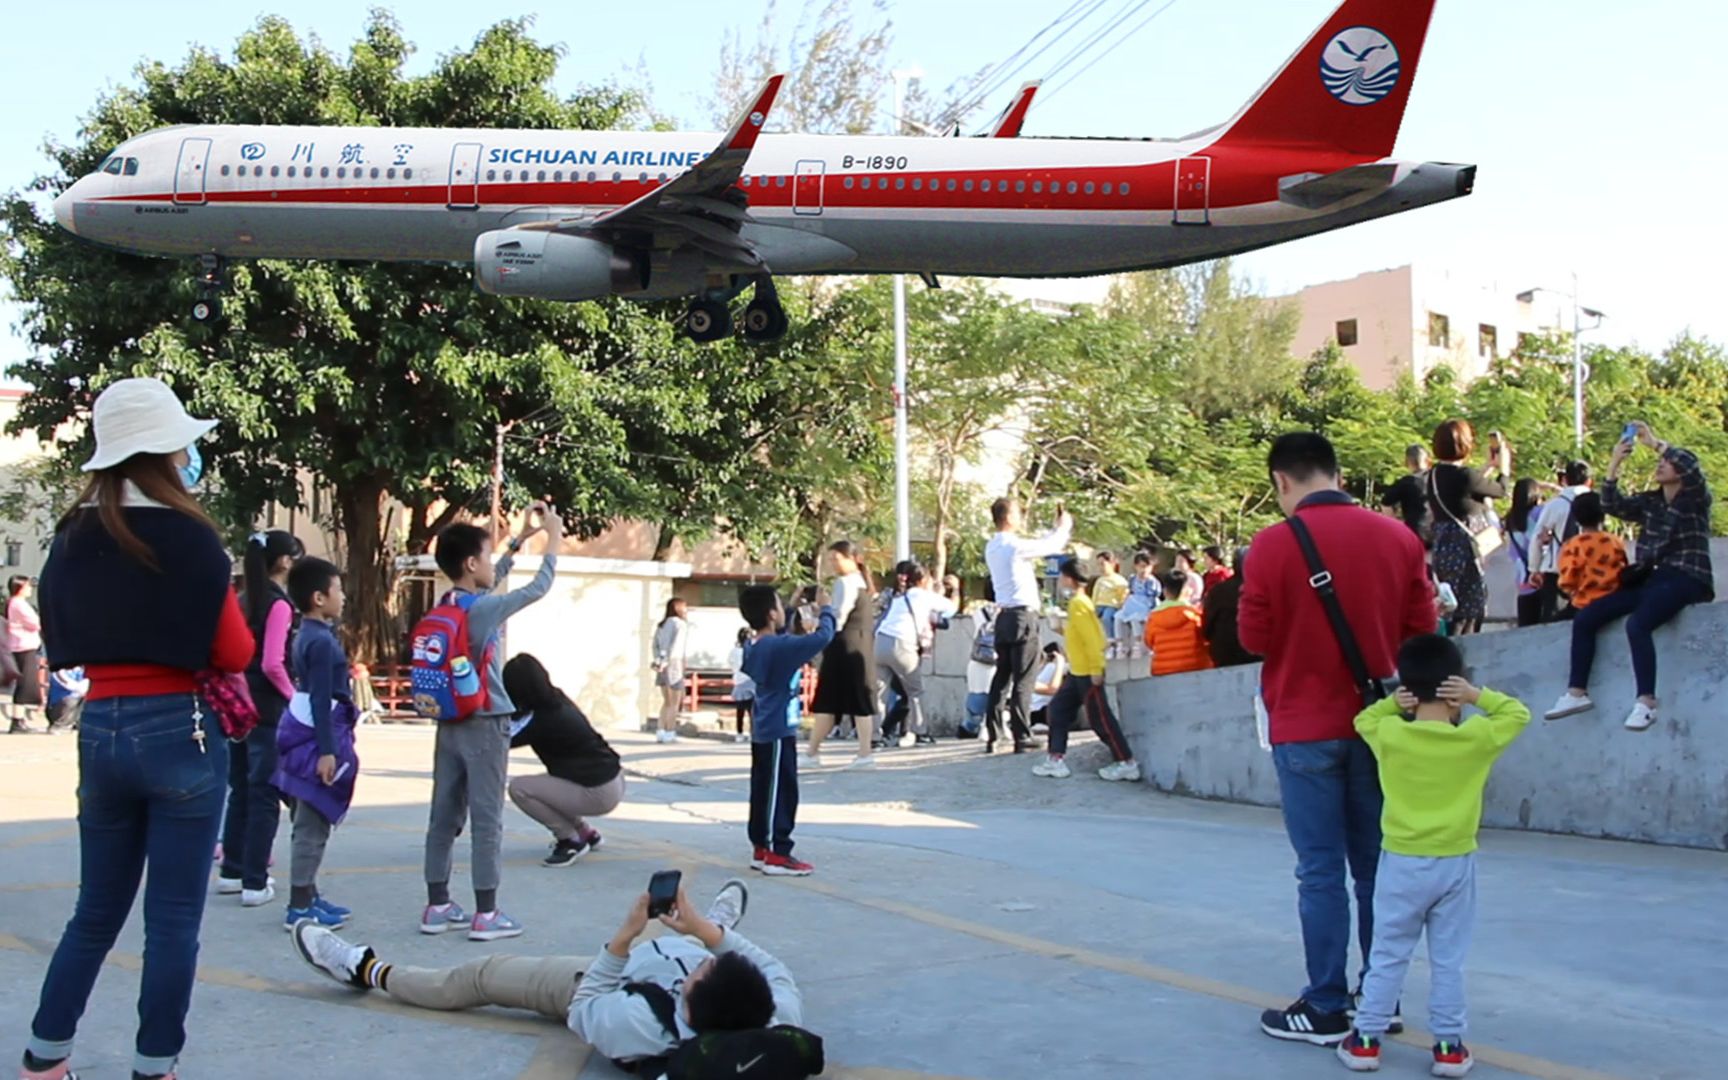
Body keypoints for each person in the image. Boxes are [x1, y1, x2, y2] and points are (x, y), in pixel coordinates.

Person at [21, 377, 253, 1080]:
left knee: (94, 913)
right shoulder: (191, 537)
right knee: (173, 922)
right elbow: (237, 652)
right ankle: (154, 1066)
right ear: (163, 450)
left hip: (101, 729)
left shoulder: (71, 535)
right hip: (179, 730)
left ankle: (43, 1059)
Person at [1238, 432, 1434, 1047]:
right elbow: (1423, 634)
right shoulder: (1398, 538)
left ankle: (1324, 1005)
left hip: (1303, 728)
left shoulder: (1271, 545)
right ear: (1336, 471)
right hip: (1380, 728)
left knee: (1319, 871)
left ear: (1282, 482)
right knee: (1377, 867)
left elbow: (1253, 638)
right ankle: (1380, 999)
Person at [291, 878, 805, 1071]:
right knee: (696, 932)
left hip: (605, 978)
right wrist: (705, 934)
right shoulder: (774, 1009)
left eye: (703, 972)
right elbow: (772, 968)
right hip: (664, 953)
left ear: (689, 1006)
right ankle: (710, 919)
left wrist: (621, 942)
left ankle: (365, 968)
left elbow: (584, 1010)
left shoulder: (639, 1023)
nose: (704, 964)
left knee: (478, 976)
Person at [1337, 635, 1531, 1077]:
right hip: (1455, 862)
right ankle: (1449, 1047)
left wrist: (1393, 704)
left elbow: (1364, 718)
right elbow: (1517, 712)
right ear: (1455, 688)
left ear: (1409, 687)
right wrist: (1477, 695)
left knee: (1388, 954)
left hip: (1401, 861)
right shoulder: (1478, 737)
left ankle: (1366, 1040)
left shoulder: (1389, 733)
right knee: (1448, 958)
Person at [423, 506, 563, 942]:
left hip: (450, 723)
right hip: (486, 724)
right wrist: (552, 539)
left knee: (443, 815)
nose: (490, 564)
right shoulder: (484, 610)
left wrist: (517, 540)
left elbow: (494, 578)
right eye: (484, 557)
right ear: (470, 564)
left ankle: (437, 905)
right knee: (487, 819)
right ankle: (486, 913)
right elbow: (536, 588)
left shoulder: (448, 604)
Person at [1546, 423, 1714, 732]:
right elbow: (1611, 504)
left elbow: (1691, 467)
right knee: (1586, 618)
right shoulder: (1650, 502)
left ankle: (1646, 702)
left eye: (1667, 463)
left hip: (1687, 577)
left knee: (1638, 624)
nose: (1661, 464)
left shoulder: (1695, 499)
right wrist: (1614, 464)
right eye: (1661, 462)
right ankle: (1576, 692)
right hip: (1653, 578)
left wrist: (1654, 443)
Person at [216, 529, 303, 910]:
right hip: (267, 708)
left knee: (241, 789)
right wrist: (295, 698)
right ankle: (255, 880)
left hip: (236, 705)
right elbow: (272, 662)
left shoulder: (242, 599)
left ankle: (231, 872)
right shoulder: (279, 604)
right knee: (265, 793)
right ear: (284, 561)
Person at [274, 557, 358, 930]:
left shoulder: (305, 634)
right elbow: (323, 699)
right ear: (319, 597)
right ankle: (299, 905)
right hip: (317, 736)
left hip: (303, 728)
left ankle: (309, 893)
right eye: (337, 590)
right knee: (312, 821)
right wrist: (327, 751)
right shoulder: (320, 642)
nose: (343, 596)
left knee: (308, 819)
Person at [740, 584, 837, 876]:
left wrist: (792, 607)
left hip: (766, 725)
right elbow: (823, 636)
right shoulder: (777, 648)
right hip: (778, 726)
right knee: (780, 791)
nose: (784, 610)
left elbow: (783, 638)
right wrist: (827, 608)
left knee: (764, 790)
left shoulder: (757, 644)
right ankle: (775, 851)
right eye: (780, 607)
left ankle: (762, 846)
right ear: (771, 614)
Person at [502, 653, 623, 868]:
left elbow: (502, 739)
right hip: (611, 779)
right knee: (546, 786)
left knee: (520, 788)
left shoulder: (541, 720)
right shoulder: (555, 700)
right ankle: (586, 832)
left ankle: (569, 840)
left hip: (598, 792)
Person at [1034, 559, 1141, 782]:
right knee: (1057, 710)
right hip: (1078, 671)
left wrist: (1096, 668)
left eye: (1063, 576)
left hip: (1087, 672)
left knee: (1100, 719)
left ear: (1069, 578)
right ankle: (1055, 759)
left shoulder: (1079, 604)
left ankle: (1126, 761)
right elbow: (1089, 636)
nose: (1061, 580)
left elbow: (1093, 639)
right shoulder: (1080, 603)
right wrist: (1061, 628)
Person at [984, 498, 1072, 753]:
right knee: (1025, 677)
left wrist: (1053, 531)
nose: (1021, 517)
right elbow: (1051, 546)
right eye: (1017, 513)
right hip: (1023, 616)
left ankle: (994, 734)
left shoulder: (993, 546)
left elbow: (1038, 544)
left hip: (1004, 618)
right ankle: (1022, 735)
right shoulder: (1013, 546)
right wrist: (1063, 527)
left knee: (1002, 677)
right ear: (1008, 517)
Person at [1426, 421, 1510, 636]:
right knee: (1470, 612)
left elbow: (1466, 487)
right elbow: (1501, 490)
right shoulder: (1467, 476)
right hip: (1466, 551)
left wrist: (1489, 466)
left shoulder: (1434, 475)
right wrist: (1505, 466)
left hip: (1444, 546)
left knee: (1450, 606)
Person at [803, 541, 878, 770]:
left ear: (852, 558)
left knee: (827, 700)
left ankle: (812, 753)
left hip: (843, 644)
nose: (833, 563)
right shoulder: (863, 583)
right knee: (860, 701)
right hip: (861, 644)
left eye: (837, 559)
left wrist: (816, 622)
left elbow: (838, 617)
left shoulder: (845, 583)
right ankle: (864, 753)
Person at [873, 560, 956, 749]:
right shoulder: (924, 596)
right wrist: (953, 591)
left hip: (880, 643)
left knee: (879, 694)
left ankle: (875, 737)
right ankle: (921, 733)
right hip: (903, 644)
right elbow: (950, 610)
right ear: (923, 579)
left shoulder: (899, 599)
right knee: (915, 691)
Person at [1524, 462, 1593, 623]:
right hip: (1588, 572)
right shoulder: (1597, 503)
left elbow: (1537, 539)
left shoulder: (1554, 505)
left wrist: (1534, 568)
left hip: (1557, 571)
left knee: (1553, 622)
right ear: (1589, 481)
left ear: (1565, 480)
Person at [1554, 493, 1626, 614]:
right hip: (1614, 601)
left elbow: (1567, 581)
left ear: (1576, 517)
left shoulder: (1573, 545)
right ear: (1602, 515)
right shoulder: (1615, 541)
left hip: (1584, 603)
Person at [1143, 570, 1214, 677]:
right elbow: (1206, 639)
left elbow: (1149, 643)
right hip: (1195, 669)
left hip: (1163, 671)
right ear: (1186, 591)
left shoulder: (1153, 618)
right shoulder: (1195, 616)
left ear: (1165, 591)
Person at [1202, 547, 1258, 668]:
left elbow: (1207, 628)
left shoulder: (1218, 591)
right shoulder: (1264, 590)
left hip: (1224, 653)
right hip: (1256, 654)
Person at [1503, 479, 1548, 628]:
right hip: (1543, 576)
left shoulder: (1511, 518)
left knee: (1526, 629)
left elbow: (1512, 551)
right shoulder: (1540, 512)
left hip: (1524, 581)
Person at [5, 575, 44, 733]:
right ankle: (17, 720)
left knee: (24, 684)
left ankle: (18, 719)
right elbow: (35, 623)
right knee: (24, 684)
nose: (30, 589)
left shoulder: (14, 603)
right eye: (27, 586)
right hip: (24, 646)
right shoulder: (19, 604)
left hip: (21, 645)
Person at [960, 590, 999, 739]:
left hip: (979, 659)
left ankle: (971, 726)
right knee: (997, 694)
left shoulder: (980, 611)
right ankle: (990, 726)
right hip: (998, 658)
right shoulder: (1009, 611)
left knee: (976, 693)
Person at [651, 598, 690, 744]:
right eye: (684, 607)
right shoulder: (680, 624)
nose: (686, 610)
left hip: (660, 662)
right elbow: (677, 646)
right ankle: (670, 732)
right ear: (678, 608)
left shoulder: (661, 625)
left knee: (666, 701)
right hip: (674, 663)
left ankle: (660, 731)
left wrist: (658, 660)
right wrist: (669, 661)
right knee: (675, 701)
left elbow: (654, 645)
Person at [1378, 444, 1432, 539]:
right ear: (1428, 460)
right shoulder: (1438, 478)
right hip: (1438, 533)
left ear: (1407, 462)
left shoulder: (1405, 482)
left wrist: (1396, 525)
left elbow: (1385, 503)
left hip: (1413, 532)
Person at [1116, 552, 1161, 660]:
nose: (1143, 570)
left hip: (1145, 605)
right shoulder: (1132, 578)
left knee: (1135, 619)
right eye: (1140, 566)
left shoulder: (1151, 581)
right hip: (1132, 603)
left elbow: (1153, 596)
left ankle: (1138, 645)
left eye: (1146, 567)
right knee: (1118, 617)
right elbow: (1130, 591)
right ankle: (1121, 645)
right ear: (1135, 566)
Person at [1091, 551, 1129, 657]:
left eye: (1103, 564)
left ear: (1112, 564)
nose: (1101, 567)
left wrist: (1121, 604)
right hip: (1099, 605)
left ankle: (1111, 642)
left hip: (1112, 605)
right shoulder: (1100, 580)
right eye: (1099, 564)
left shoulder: (1119, 580)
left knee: (1107, 618)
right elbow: (1095, 594)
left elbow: (1123, 594)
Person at [1028, 642, 1065, 734]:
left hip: (1031, 712)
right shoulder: (1052, 667)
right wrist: (1060, 664)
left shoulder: (1037, 670)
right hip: (1040, 712)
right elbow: (1052, 689)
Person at [728, 627, 755, 744]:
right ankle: (752, 733)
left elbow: (730, 662)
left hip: (739, 682)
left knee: (740, 711)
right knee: (752, 711)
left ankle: (739, 733)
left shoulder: (734, 651)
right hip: (750, 681)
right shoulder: (752, 650)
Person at [45, 666, 88, 733]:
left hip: (75, 699)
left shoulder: (78, 670)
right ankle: (57, 726)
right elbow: (68, 684)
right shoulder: (57, 672)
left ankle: (76, 724)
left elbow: (85, 683)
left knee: (86, 699)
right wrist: (79, 688)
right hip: (58, 703)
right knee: (70, 700)